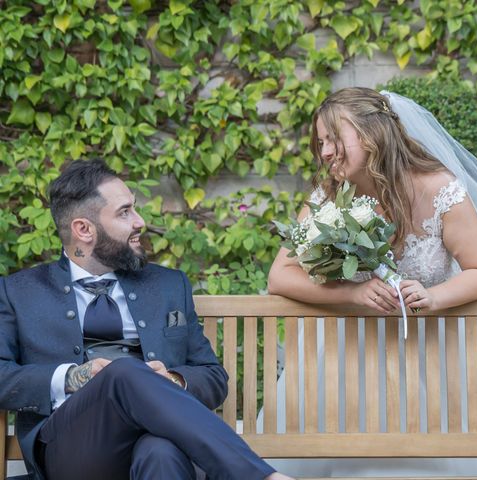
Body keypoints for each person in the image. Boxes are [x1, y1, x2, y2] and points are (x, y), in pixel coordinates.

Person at [266, 87, 477, 477]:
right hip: (349, 365)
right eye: (321, 141)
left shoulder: (439, 189)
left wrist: (433, 296)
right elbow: (279, 276)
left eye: (334, 138)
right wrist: (353, 291)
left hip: (436, 359)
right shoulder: (328, 197)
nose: (325, 151)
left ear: (372, 133)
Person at [0, 159, 294, 480]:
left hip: (153, 442)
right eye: (124, 212)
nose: (140, 222)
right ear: (83, 229)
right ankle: (261, 477)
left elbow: (212, 375)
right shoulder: (19, 292)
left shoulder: (168, 285)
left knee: (162, 452)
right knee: (125, 373)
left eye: (135, 209)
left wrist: (173, 381)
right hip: (72, 451)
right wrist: (74, 376)